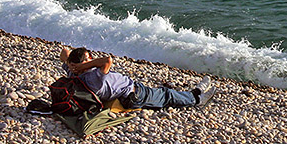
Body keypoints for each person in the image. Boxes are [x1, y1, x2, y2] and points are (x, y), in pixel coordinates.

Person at [59, 46, 215, 110]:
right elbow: (107, 60)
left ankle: (194, 92)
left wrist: (74, 65)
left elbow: (64, 52)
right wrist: (83, 66)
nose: (92, 58)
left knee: (164, 92)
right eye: (89, 58)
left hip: (131, 90)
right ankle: (197, 99)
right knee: (166, 94)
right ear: (83, 65)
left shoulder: (73, 74)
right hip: (134, 95)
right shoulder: (93, 76)